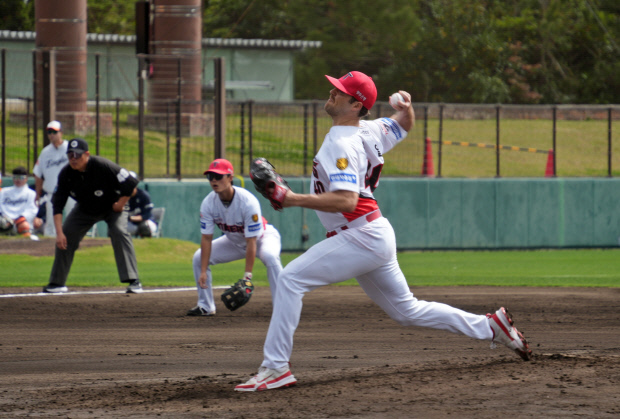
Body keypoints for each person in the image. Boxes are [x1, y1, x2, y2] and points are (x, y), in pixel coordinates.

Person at [235, 71, 531, 392]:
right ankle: (491, 326)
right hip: (371, 233)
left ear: (355, 105)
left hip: (359, 234)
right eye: (336, 87)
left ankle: (276, 368)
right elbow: (404, 124)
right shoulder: (369, 129)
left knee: (291, 279)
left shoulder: (341, 142)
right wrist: (406, 107)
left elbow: (347, 201)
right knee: (407, 310)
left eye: (340, 91)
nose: (332, 92)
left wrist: (291, 199)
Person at [42, 138, 143, 294]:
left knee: (118, 231)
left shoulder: (103, 165)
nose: (74, 159)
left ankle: (134, 281)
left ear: (87, 154)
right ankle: (57, 283)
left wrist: (121, 204)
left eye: (77, 155)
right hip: (85, 208)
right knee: (66, 235)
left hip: (113, 206)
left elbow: (131, 184)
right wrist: (59, 233)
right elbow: (57, 205)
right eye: (70, 155)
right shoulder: (66, 174)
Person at [188, 158, 283, 316]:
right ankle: (205, 306)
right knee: (198, 258)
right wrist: (203, 271)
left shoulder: (247, 201)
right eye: (210, 177)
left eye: (218, 176)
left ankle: (283, 306)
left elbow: (251, 241)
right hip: (235, 241)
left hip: (262, 238)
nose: (214, 180)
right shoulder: (208, 203)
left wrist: (247, 276)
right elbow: (206, 238)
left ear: (230, 177)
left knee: (270, 256)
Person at [33, 120, 75, 237]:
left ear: (61, 132)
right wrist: (38, 193)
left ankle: (76, 240)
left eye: (54, 132)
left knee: (74, 218)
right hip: (53, 192)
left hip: (71, 191)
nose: (51, 134)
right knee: (51, 223)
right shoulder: (45, 152)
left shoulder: (69, 148)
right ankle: (49, 244)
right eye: (49, 132)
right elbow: (38, 174)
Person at [0, 166, 42, 238]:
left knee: (24, 225)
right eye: (15, 177)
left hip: (22, 221)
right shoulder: (4, 192)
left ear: (26, 179)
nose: (18, 180)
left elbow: (32, 209)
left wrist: (21, 218)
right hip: (5, 221)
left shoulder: (31, 193)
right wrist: (5, 217)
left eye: (21, 177)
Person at [126, 171, 158, 238]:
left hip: (148, 222)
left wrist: (131, 218)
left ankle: (147, 243)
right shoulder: (123, 197)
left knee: (144, 226)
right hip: (131, 224)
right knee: (116, 227)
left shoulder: (143, 195)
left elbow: (147, 215)